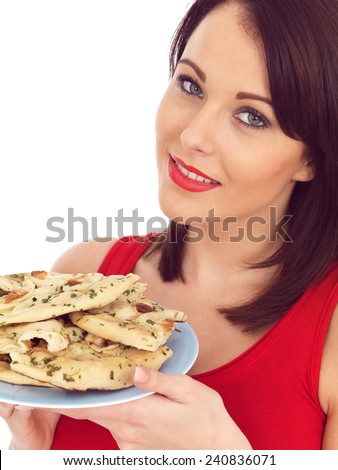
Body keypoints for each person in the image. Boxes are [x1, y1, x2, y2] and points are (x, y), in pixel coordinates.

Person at [1, 0, 337, 450]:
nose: (192, 136)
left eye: (252, 116)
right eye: (191, 84)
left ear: (312, 156)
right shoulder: (86, 274)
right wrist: (33, 452)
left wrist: (220, 454)